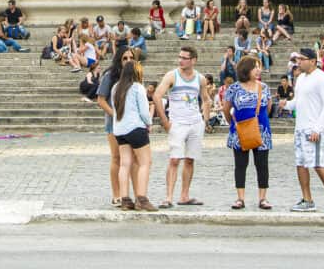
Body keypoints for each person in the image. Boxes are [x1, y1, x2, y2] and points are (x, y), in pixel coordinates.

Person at [283, 48, 324, 214]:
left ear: (313, 61)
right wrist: (286, 105)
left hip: (314, 128)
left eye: (302, 59)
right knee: (301, 163)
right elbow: (298, 101)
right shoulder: (300, 78)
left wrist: (318, 128)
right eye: (298, 59)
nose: (299, 62)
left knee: (318, 164)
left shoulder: (322, 78)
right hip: (300, 127)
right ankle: (307, 199)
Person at [154, 45, 211, 208]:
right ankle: (168, 197)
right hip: (177, 123)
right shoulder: (172, 76)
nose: (181, 60)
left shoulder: (200, 78)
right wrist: (165, 121)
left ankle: (184, 195)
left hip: (195, 122)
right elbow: (157, 96)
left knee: (190, 159)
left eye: (184, 58)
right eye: (179, 57)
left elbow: (206, 99)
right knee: (174, 159)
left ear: (193, 60)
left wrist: (204, 119)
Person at [223, 56, 272, 210]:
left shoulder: (264, 87)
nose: (258, 69)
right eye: (255, 66)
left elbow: (268, 107)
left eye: (259, 66)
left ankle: (263, 198)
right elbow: (226, 108)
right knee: (240, 165)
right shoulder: (234, 88)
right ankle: (240, 198)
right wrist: (233, 123)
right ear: (246, 69)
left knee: (262, 165)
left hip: (261, 130)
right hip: (240, 130)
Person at [112, 57, 157, 212]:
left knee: (125, 164)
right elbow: (144, 112)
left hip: (119, 130)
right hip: (136, 128)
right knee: (145, 162)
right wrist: (149, 123)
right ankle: (142, 199)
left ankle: (125, 199)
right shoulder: (137, 87)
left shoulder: (116, 87)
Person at [95, 46, 132, 208]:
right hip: (113, 124)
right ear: (119, 60)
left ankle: (126, 194)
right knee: (116, 157)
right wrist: (114, 115)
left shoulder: (134, 76)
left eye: (131, 58)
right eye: (125, 58)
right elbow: (101, 100)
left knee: (130, 160)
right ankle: (116, 194)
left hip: (131, 124)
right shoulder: (110, 76)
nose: (128, 61)